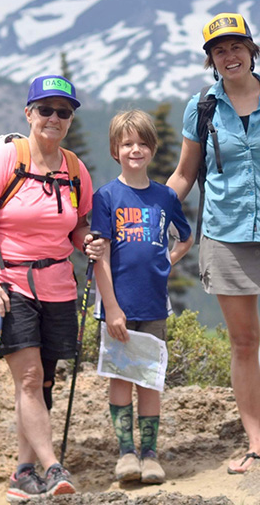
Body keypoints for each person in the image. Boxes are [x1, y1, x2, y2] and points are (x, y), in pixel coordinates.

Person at [167, 12, 260, 474]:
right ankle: (256, 445)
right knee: (244, 342)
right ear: (211, 59)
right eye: (218, 50)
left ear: (252, 49)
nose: (228, 56)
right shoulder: (203, 107)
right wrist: (141, 206)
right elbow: (185, 174)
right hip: (225, 234)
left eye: (236, 47)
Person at [0, 74, 104, 501]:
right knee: (28, 376)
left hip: (58, 287)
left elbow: (78, 224)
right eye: (45, 109)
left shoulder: (74, 169)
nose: (54, 118)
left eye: (63, 112)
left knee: (42, 383)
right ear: (29, 114)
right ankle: (52, 466)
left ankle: (22, 474)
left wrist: (87, 240)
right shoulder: (5, 160)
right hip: (8, 286)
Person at [91, 110, 193, 485]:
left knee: (149, 379)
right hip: (117, 305)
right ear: (115, 149)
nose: (135, 149)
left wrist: (168, 260)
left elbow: (185, 237)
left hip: (153, 304)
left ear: (152, 148)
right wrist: (112, 307)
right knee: (120, 377)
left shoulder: (165, 196)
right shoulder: (106, 196)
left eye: (142, 143)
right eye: (127, 143)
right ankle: (126, 453)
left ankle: (150, 454)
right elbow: (99, 255)